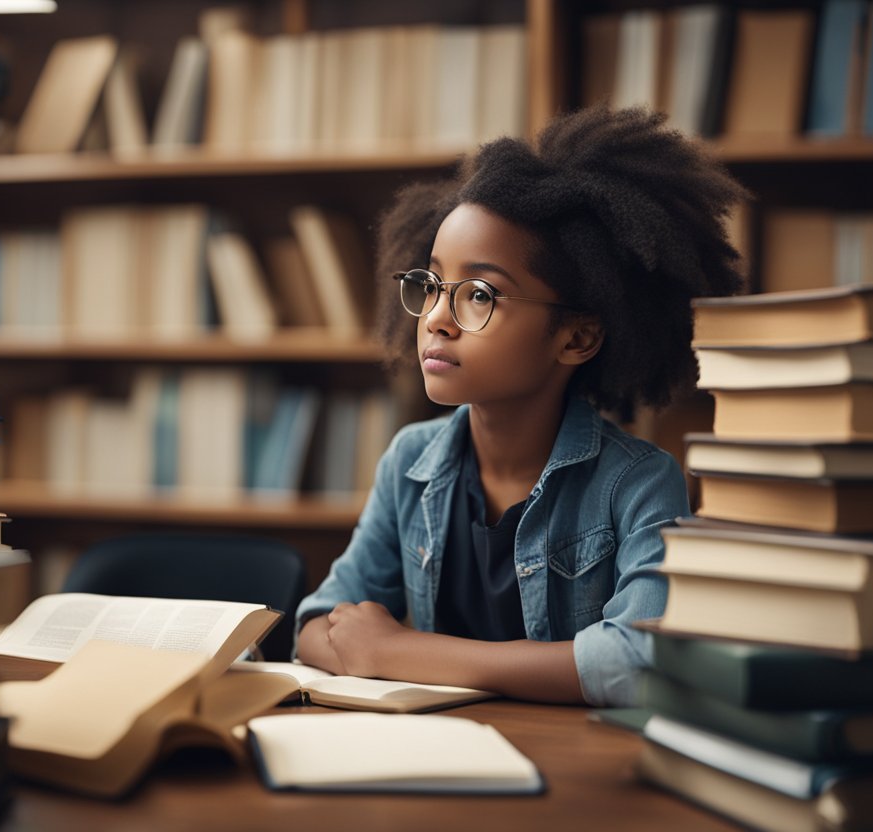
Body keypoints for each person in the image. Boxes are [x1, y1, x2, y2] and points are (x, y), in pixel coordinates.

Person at [295, 105, 747, 707]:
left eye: (480, 295)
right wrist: (373, 644)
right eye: (431, 285)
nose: (435, 319)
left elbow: (640, 661)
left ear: (576, 337)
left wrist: (398, 651)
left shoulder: (636, 483)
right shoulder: (409, 461)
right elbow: (316, 626)